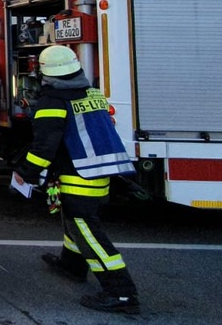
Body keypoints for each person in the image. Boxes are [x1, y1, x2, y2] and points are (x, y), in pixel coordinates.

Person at [14, 45, 140, 314]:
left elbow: (44, 145)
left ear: (44, 73)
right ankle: (71, 264)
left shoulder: (53, 101)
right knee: (73, 221)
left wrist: (25, 172)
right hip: (99, 170)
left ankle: (121, 293)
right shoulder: (92, 93)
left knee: (86, 229)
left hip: (78, 173)